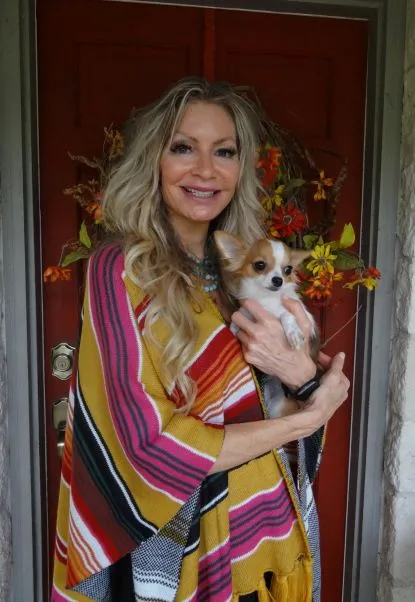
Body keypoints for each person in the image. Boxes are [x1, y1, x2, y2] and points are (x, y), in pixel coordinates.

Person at [51, 77, 349, 602]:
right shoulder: (120, 270)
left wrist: (305, 378)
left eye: (224, 151)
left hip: (264, 533)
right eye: (184, 148)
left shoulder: (247, 268)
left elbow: (288, 385)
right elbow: (148, 445)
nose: (206, 170)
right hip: (177, 546)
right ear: (153, 161)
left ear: (241, 166)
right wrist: (307, 417)